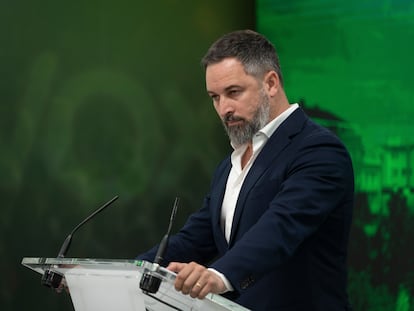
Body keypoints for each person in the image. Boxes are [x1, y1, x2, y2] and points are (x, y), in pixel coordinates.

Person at [137, 29, 354, 310]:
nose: (224, 108)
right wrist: (124, 273)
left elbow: (280, 228)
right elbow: (194, 239)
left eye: (233, 92)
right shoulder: (229, 166)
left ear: (271, 83)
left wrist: (216, 275)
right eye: (214, 97)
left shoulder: (320, 152)